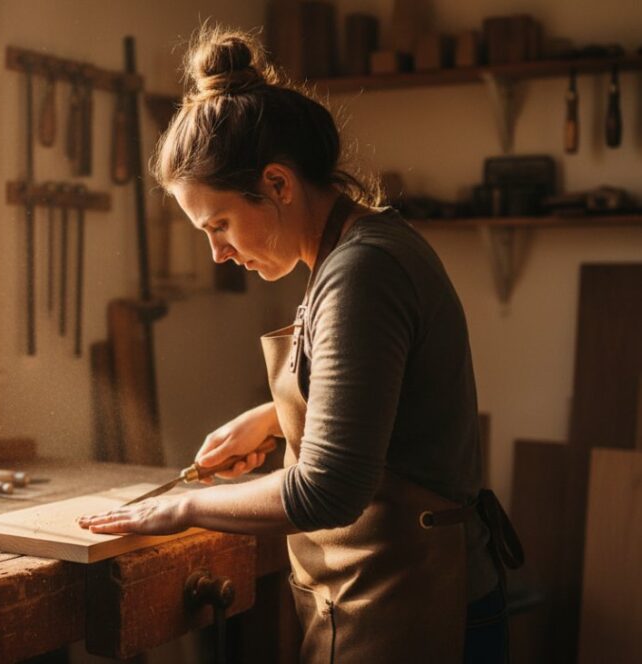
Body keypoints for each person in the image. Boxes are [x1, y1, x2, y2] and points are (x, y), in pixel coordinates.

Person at [78, 26, 522, 663]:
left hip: (422, 616)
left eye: (221, 224)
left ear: (279, 184)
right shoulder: (355, 253)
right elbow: (385, 398)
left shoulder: (362, 271)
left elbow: (327, 491)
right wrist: (270, 419)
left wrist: (180, 510)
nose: (219, 253)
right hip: (382, 603)